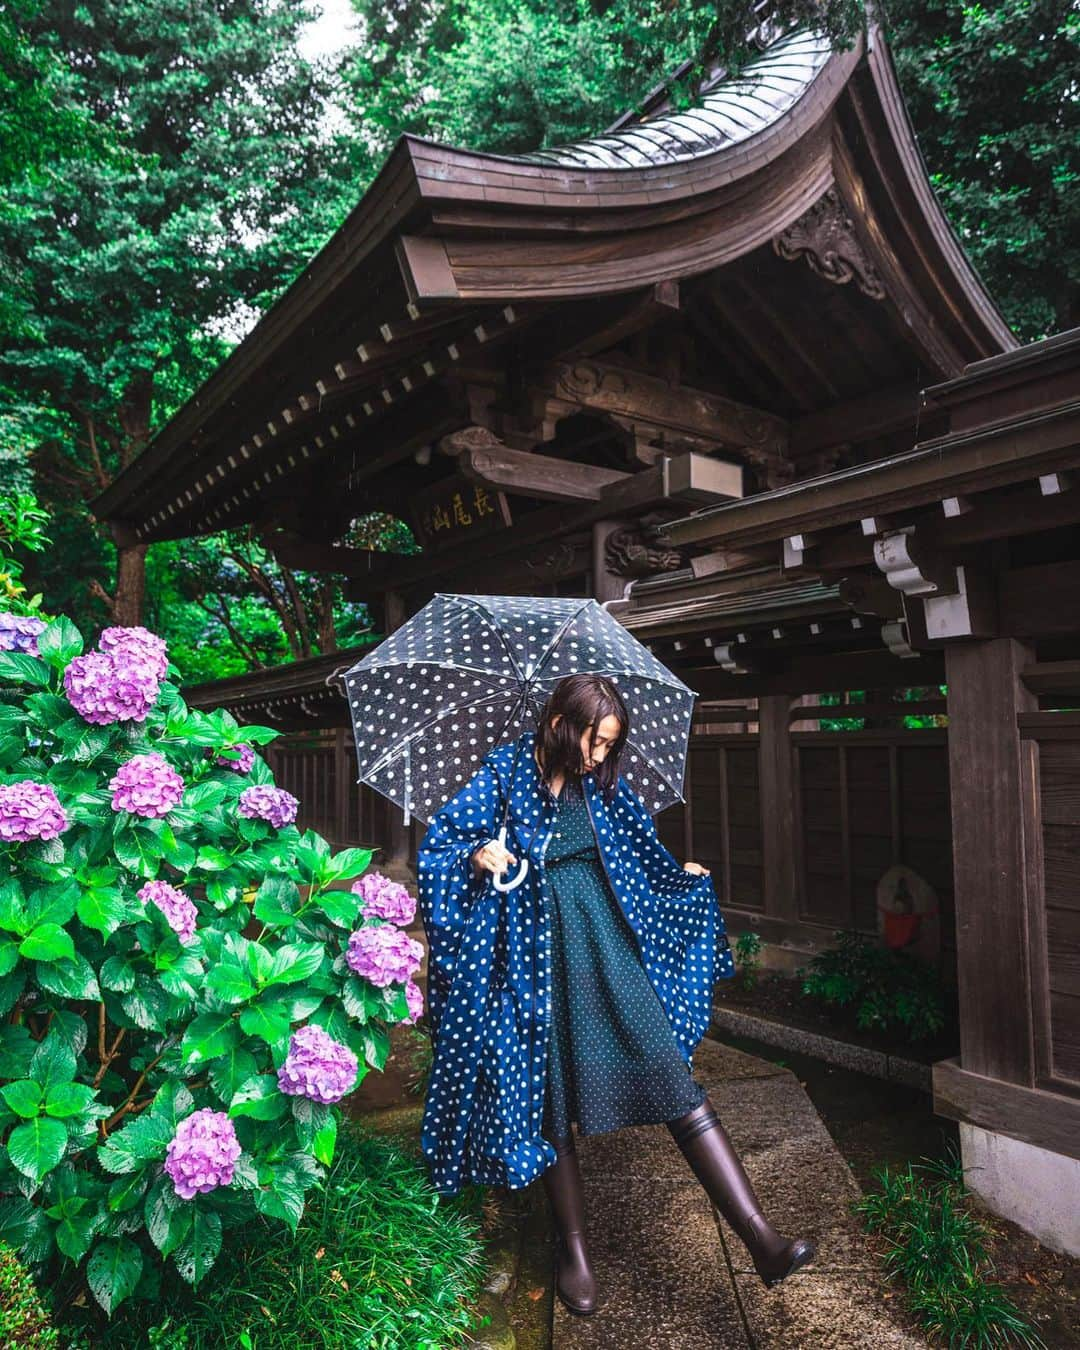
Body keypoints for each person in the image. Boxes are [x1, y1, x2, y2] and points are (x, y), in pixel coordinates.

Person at [417, 673, 815, 1318]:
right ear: (558, 724)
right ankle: (573, 1253)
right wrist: (478, 854)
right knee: (550, 1097)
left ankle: (761, 1238)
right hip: (531, 958)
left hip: (604, 944)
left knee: (671, 1077)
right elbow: (441, 848)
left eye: (610, 746)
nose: (600, 757)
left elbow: (638, 848)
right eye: (594, 742)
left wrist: (674, 875)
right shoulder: (501, 774)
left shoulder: (600, 785)